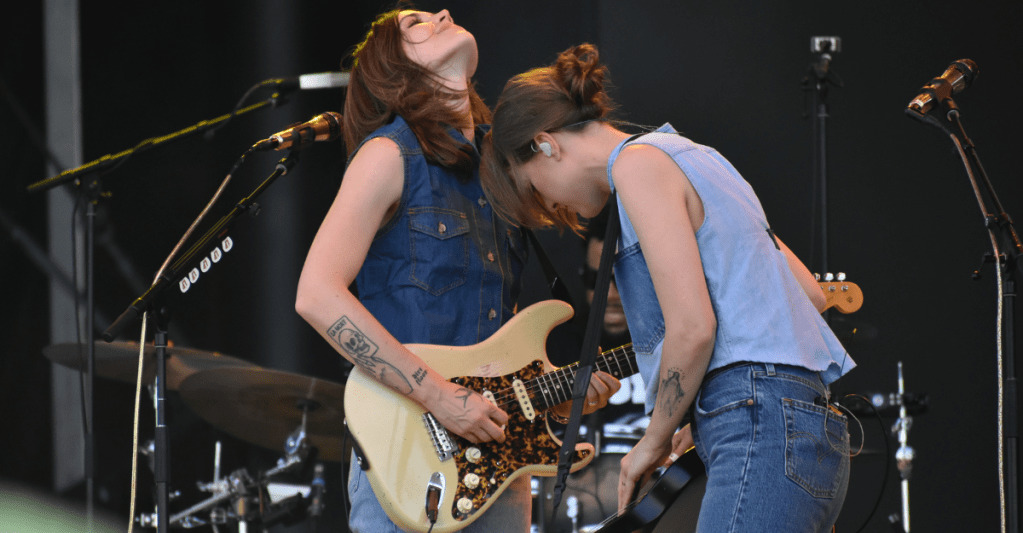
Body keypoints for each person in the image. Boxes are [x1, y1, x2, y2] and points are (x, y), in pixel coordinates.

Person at [480, 43, 855, 532]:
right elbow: (808, 293)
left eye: (534, 187)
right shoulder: (697, 157)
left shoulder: (635, 166)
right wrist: (707, 414)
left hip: (762, 425)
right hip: (808, 427)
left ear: (547, 144)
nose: (554, 207)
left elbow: (693, 326)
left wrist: (654, 439)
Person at [294, 10, 619, 533]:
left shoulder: (503, 162)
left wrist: (558, 401)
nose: (442, 12)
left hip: (500, 458)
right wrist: (441, 398)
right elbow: (316, 294)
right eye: (417, 23)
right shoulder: (388, 154)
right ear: (393, 67)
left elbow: (501, 348)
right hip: (406, 456)